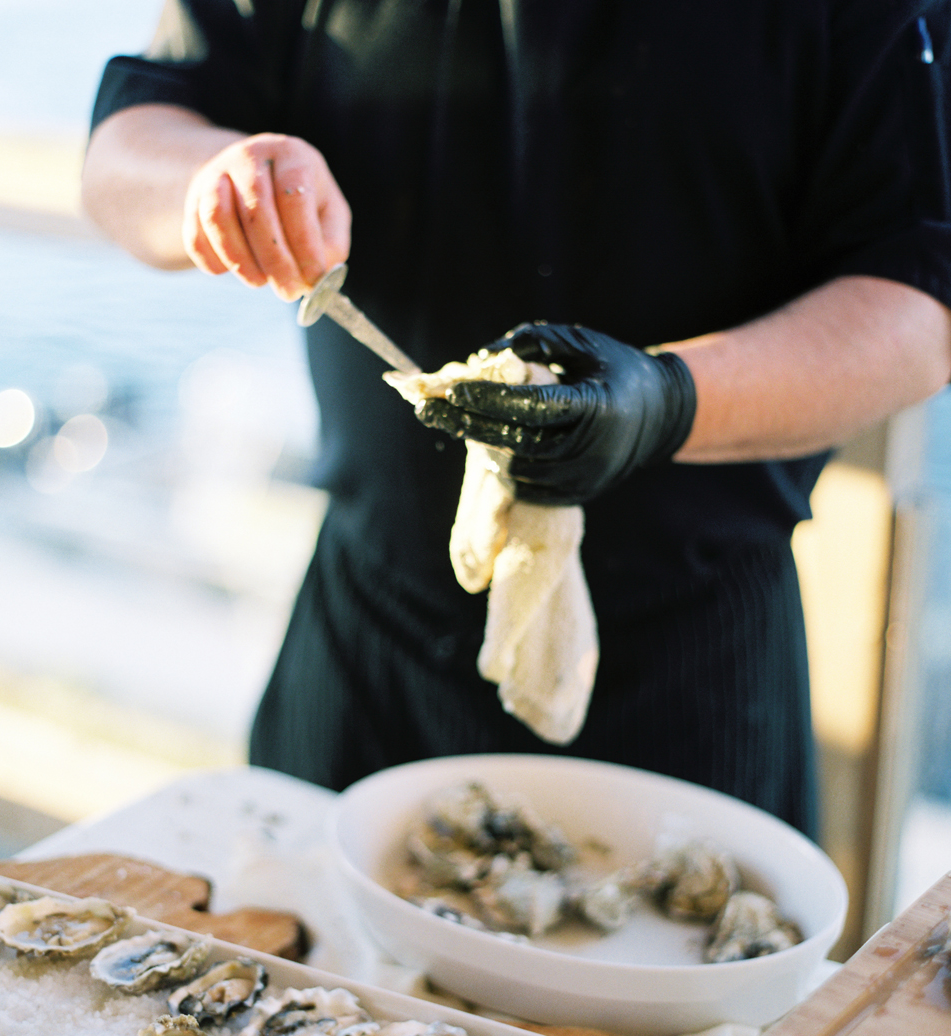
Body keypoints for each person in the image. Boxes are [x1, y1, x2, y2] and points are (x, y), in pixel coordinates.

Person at [82, 0, 951, 837]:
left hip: (692, 661)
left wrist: (667, 400)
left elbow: (918, 306)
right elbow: (126, 145)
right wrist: (215, 180)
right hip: (365, 632)